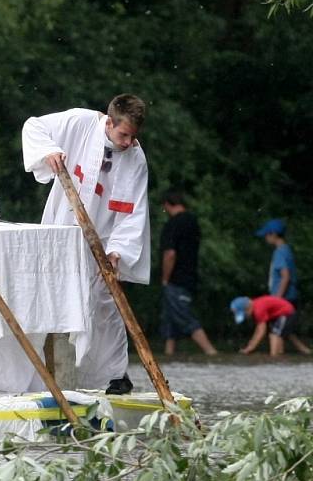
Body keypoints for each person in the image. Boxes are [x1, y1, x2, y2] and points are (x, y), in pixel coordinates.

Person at [22, 94, 150, 394]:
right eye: (123, 134)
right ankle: (43, 375)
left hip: (104, 239)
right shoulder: (79, 122)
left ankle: (114, 375)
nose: (128, 142)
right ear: (109, 122)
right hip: (64, 228)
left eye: (133, 136)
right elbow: (34, 127)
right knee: (51, 297)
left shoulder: (136, 159)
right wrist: (50, 151)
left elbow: (134, 211)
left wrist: (118, 250)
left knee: (105, 305)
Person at [159, 191, 217, 356]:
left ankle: (211, 351)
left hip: (175, 279)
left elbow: (170, 254)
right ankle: (168, 355)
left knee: (184, 317)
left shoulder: (172, 224)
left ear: (167, 204)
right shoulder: (193, 222)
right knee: (170, 320)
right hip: (190, 277)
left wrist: (165, 279)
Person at [255, 218, 309, 354]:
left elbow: (285, 276)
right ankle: (301, 353)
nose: (265, 238)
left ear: (273, 234)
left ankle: (277, 360)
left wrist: (276, 300)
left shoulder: (279, 252)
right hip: (289, 297)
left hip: (283, 299)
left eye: (267, 235)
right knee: (284, 331)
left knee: (276, 333)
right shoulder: (287, 250)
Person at [231, 295, 298, 356]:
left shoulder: (258, 310)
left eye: (245, 315)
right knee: (278, 333)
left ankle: (274, 357)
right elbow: (258, 329)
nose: (246, 317)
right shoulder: (255, 306)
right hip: (281, 314)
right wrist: (250, 346)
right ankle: (281, 354)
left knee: (274, 335)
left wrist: (250, 348)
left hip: (287, 313)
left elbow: (261, 332)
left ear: (248, 308)